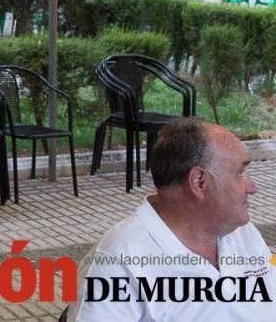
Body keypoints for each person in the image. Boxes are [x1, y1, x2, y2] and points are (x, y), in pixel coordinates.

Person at [67, 118, 275, 321]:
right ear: (199, 181)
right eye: (240, 173)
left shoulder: (241, 231)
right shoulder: (120, 258)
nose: (252, 187)